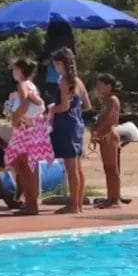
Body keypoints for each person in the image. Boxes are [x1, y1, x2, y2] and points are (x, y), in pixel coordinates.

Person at [3, 57, 52, 215]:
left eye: (15, 69)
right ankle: (31, 202)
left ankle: (31, 204)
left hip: (24, 131)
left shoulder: (23, 85)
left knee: (23, 166)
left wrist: (16, 118)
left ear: (19, 70)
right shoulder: (32, 85)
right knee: (24, 165)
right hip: (31, 129)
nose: (13, 72)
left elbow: (24, 105)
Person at [49, 47, 90, 214]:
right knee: (77, 167)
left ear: (61, 63)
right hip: (78, 124)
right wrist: (76, 107)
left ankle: (74, 205)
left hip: (66, 126)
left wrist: (52, 108)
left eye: (56, 64)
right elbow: (87, 105)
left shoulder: (64, 81)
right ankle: (77, 204)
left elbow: (64, 106)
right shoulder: (78, 81)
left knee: (71, 167)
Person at [90, 73, 123, 208]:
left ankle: (114, 198)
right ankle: (111, 196)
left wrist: (98, 130)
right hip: (105, 135)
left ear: (108, 86)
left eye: (100, 85)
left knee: (111, 167)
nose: (97, 88)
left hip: (110, 135)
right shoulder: (107, 100)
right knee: (108, 167)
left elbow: (110, 118)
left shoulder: (112, 100)